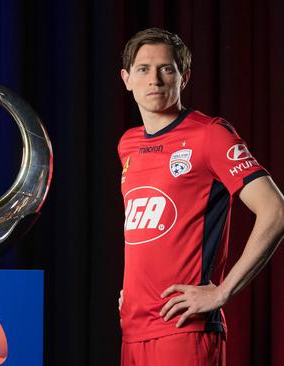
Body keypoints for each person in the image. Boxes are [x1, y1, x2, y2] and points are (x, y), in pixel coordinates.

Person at [117, 28, 284, 365]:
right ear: (127, 79)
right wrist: (133, 293)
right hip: (132, 331)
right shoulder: (127, 145)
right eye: (143, 70)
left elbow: (276, 211)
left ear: (185, 77)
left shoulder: (210, 135)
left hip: (184, 330)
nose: (155, 80)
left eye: (167, 69)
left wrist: (222, 293)